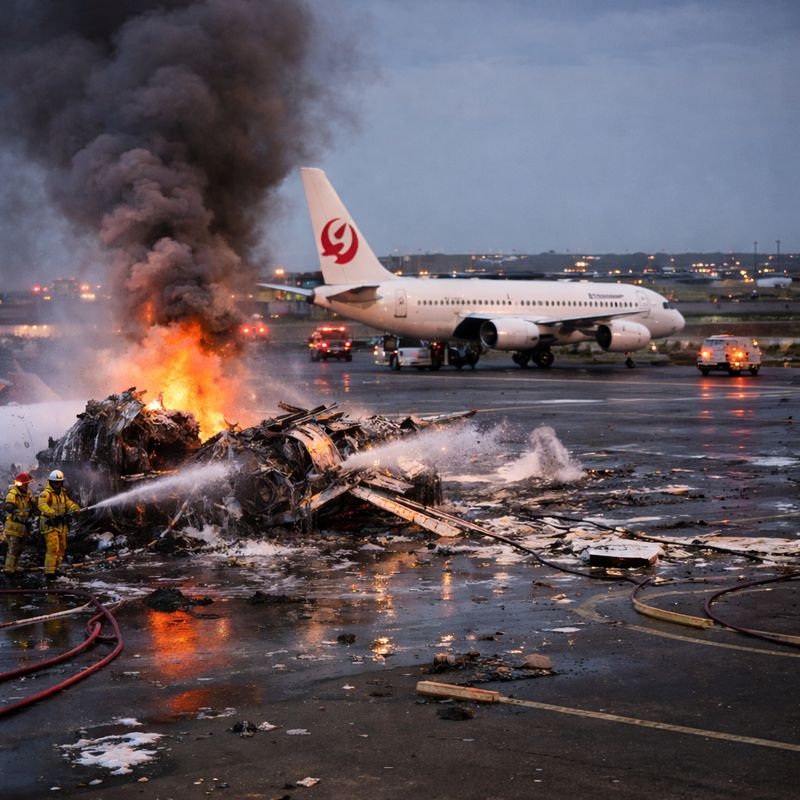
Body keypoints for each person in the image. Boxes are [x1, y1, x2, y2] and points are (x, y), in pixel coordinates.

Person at [38, 469, 81, 581]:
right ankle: (49, 572)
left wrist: (74, 508)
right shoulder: (45, 494)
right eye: (55, 482)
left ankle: (56, 568)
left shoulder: (62, 493)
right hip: (50, 524)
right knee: (53, 548)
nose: (57, 484)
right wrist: (53, 513)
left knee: (61, 548)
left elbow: (68, 503)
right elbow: (42, 505)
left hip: (61, 525)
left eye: (59, 482)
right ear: (51, 482)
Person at [2, 472, 37, 578]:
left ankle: (14, 567)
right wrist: (15, 512)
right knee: (13, 548)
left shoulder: (28, 494)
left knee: (20, 549)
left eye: (27, 484)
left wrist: (35, 509)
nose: (26, 486)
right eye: (25, 484)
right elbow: (8, 506)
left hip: (23, 527)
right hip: (14, 526)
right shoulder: (13, 493)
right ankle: (8, 570)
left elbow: (34, 506)